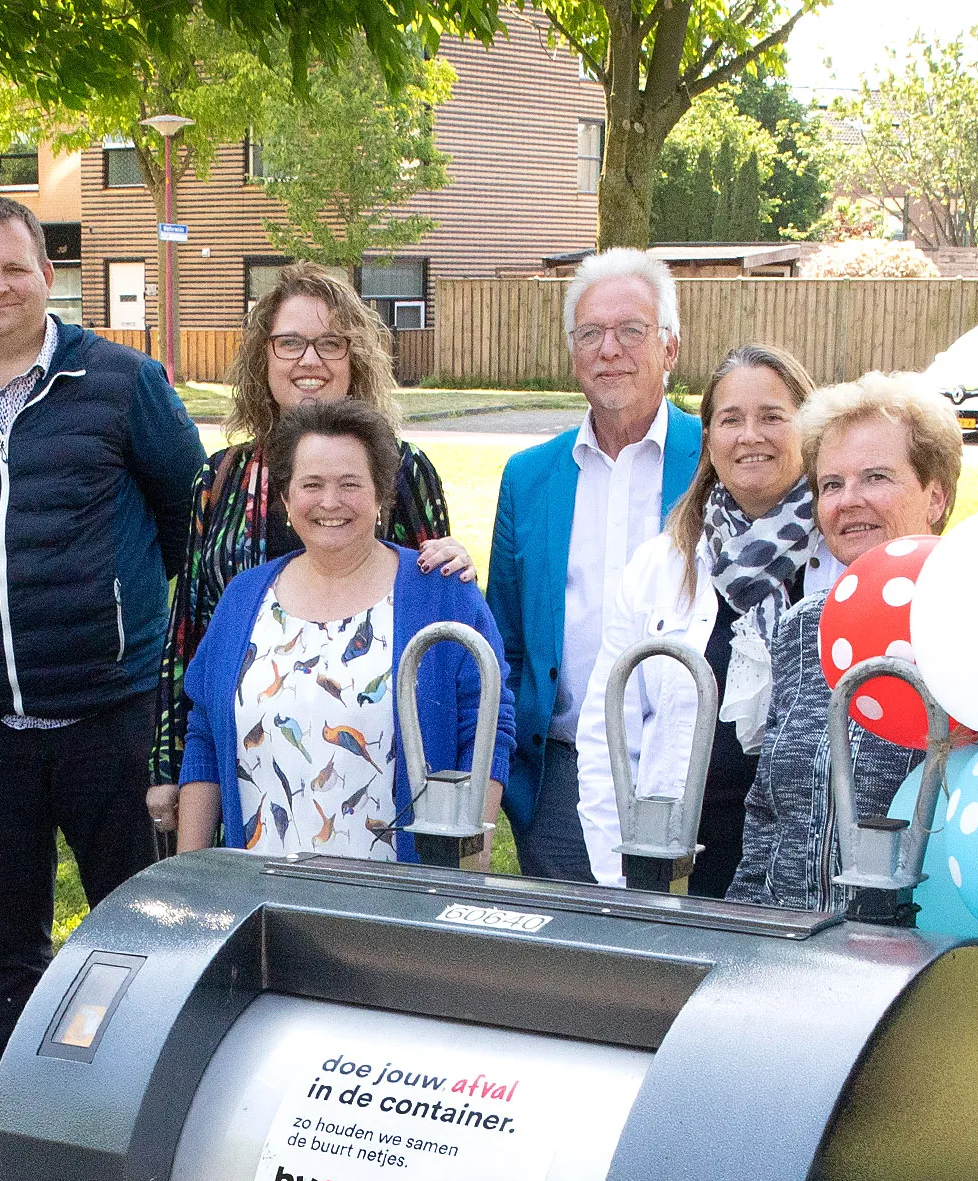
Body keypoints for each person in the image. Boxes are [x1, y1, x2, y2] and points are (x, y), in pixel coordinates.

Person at [0, 195, 205, 1168]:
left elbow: (186, 517)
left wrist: (128, 627)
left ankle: (158, 1122)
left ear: (47, 276)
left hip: (112, 711)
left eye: (13, 267)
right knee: (6, 939)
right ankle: (20, 1123)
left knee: (143, 923)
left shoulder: (121, 382)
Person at [153, 263, 472, 804]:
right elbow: (187, 625)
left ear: (355, 360)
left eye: (331, 344)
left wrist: (454, 558)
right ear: (264, 357)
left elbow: (439, 618)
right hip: (240, 747)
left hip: (368, 752)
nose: (310, 360)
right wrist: (169, 764)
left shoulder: (401, 470)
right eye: (290, 343)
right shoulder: (220, 478)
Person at [172, 399, 513, 860]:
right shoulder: (243, 597)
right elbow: (205, 735)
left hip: (403, 901)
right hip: (262, 895)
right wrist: (188, 872)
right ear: (287, 498)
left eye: (349, 484)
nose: (330, 502)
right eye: (312, 485)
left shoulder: (442, 595)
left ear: (380, 495)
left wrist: (468, 865)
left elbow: (488, 730)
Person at [485, 249, 704, 883]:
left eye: (631, 330)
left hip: (691, 771)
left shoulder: (712, 461)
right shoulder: (529, 479)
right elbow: (508, 637)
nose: (609, 349)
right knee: (572, 968)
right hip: (562, 780)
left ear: (669, 347)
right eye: (590, 333)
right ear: (573, 351)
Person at [570, 343, 815, 897]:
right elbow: (608, 736)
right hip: (683, 862)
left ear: (808, 428)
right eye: (731, 420)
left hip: (809, 865)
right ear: (709, 440)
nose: (750, 435)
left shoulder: (840, 562)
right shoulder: (661, 566)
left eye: (772, 416)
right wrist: (623, 875)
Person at [722, 374, 962, 910]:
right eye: (831, 484)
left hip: (921, 961)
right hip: (787, 954)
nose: (847, 501)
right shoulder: (805, 626)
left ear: (937, 495)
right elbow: (768, 811)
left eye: (875, 477)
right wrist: (741, 929)